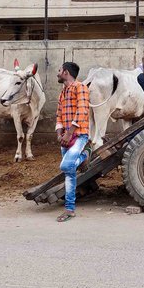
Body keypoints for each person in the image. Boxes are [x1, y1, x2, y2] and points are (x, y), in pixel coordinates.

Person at [55, 61, 91, 222]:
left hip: (79, 135)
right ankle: (70, 209)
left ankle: (85, 155)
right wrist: (59, 134)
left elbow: (83, 110)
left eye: (59, 70)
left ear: (66, 72)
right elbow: (58, 115)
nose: (58, 73)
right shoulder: (63, 92)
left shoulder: (80, 87)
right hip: (66, 137)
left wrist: (69, 133)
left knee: (65, 166)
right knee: (69, 173)